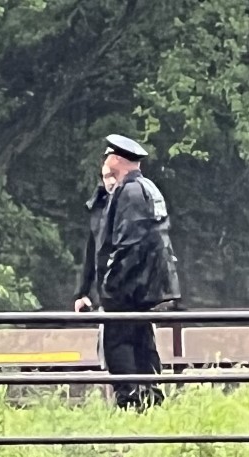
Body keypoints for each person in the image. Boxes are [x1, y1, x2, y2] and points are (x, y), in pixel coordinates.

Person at [76, 134, 181, 408]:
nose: (106, 162)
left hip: (128, 288)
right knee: (142, 340)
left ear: (119, 160)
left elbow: (128, 245)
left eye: (110, 157)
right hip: (144, 286)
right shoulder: (146, 189)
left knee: (119, 343)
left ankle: (131, 400)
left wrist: (111, 286)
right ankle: (150, 398)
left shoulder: (131, 193)